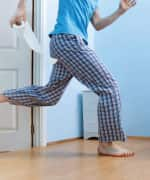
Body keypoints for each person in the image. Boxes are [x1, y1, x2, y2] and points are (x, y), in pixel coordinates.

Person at [0, 0, 136, 157]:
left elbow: (98, 24)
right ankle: (107, 144)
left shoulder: (94, 2)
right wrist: (21, 8)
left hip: (67, 43)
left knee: (49, 95)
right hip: (69, 41)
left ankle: (3, 96)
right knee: (109, 88)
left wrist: (120, 11)